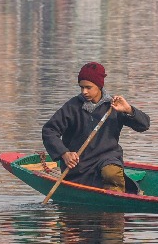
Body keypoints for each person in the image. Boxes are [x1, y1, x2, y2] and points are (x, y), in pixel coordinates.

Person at [42, 62, 150, 192]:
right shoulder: (72, 107)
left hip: (107, 159)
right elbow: (49, 131)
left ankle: (116, 201)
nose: (84, 92)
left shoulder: (114, 106)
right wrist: (64, 154)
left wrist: (129, 109)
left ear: (99, 86)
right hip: (79, 166)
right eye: (81, 87)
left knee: (111, 172)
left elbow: (144, 125)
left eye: (88, 87)